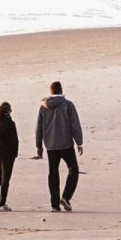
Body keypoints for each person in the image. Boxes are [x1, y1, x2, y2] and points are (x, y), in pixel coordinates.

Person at [34, 79, 83, 211]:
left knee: (53, 173)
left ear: (51, 92)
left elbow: (39, 127)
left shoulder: (43, 107)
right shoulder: (67, 105)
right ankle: (66, 197)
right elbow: (75, 125)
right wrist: (79, 142)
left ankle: (54, 205)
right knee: (73, 170)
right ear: (61, 90)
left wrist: (39, 146)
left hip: (50, 145)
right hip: (66, 144)